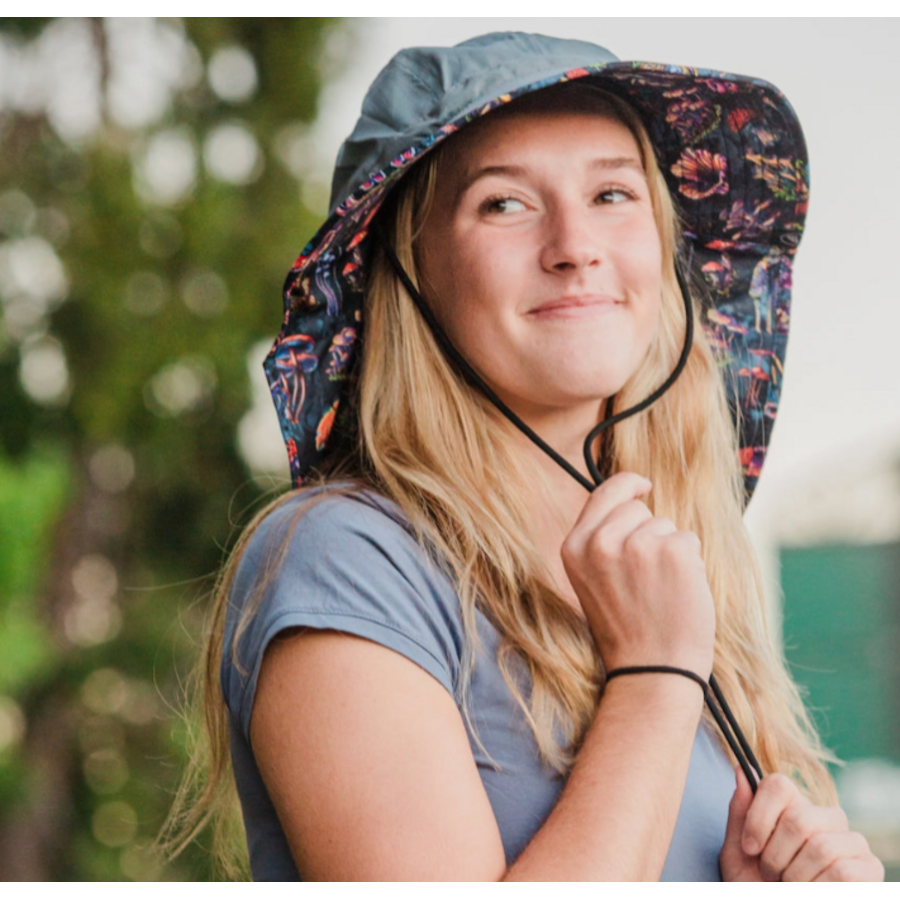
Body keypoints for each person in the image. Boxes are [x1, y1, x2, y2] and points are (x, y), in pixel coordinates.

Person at [170, 33, 885, 881]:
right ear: (410, 271)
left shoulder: (665, 574)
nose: (575, 245)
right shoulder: (348, 564)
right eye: (504, 204)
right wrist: (654, 679)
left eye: (614, 192)